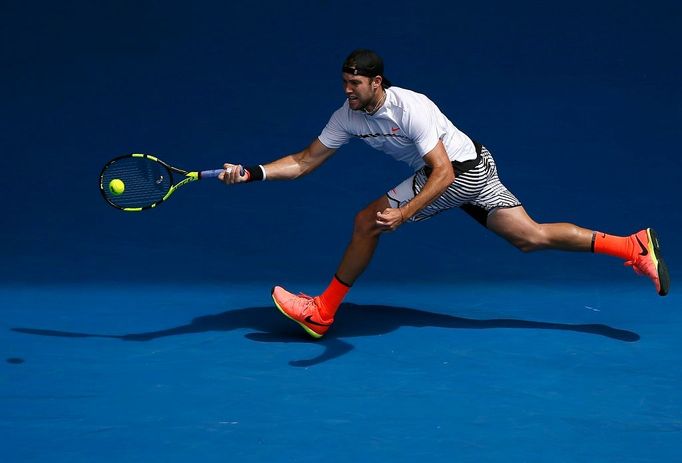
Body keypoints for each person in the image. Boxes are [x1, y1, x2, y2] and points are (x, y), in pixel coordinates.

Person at [219, 49, 670, 339]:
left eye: (355, 84)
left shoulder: (410, 107)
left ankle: (322, 312)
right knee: (529, 236)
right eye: (344, 83)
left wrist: (403, 213)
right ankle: (632, 246)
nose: (348, 91)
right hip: (471, 163)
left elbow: (442, 171)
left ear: (378, 82)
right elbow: (304, 160)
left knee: (366, 222)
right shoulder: (348, 115)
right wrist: (253, 172)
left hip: (460, 171)